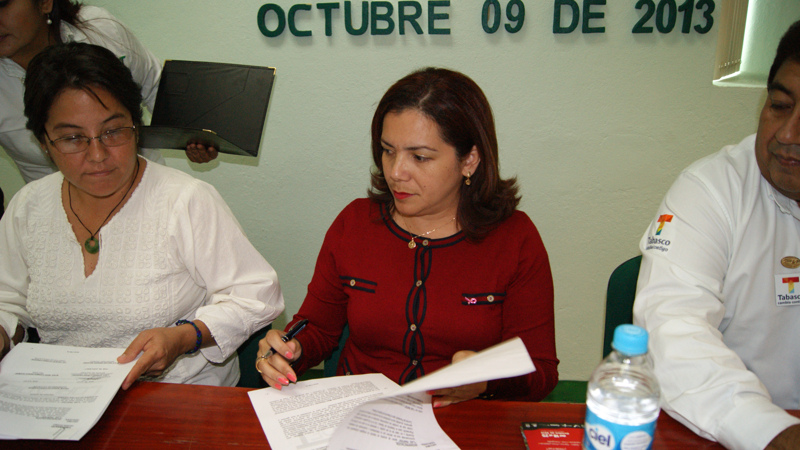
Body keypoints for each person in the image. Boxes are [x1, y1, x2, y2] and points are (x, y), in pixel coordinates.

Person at [256, 68, 559, 406]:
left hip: (463, 420)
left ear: (469, 160)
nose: (396, 172)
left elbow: (541, 372)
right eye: (388, 151)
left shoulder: (514, 238)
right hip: (360, 415)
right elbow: (318, 330)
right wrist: (289, 350)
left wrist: (487, 381)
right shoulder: (355, 224)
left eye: (420, 157)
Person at [0, 42, 284, 389]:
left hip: (176, 395)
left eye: (113, 131)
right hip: (62, 393)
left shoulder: (184, 200)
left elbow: (257, 295)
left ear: (136, 125)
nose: (98, 154)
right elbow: (8, 300)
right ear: (44, 142)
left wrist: (185, 337)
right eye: (73, 138)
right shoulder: (28, 206)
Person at [633, 20, 800, 450]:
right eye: (780, 105)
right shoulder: (711, 189)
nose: (787, 134)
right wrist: (772, 432)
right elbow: (672, 330)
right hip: (735, 433)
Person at [0, 0, 216, 185]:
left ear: (45, 2)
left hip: (144, 189)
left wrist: (194, 136)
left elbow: (158, 89)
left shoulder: (98, 29)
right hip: (59, 207)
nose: (96, 155)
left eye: (2, 3)